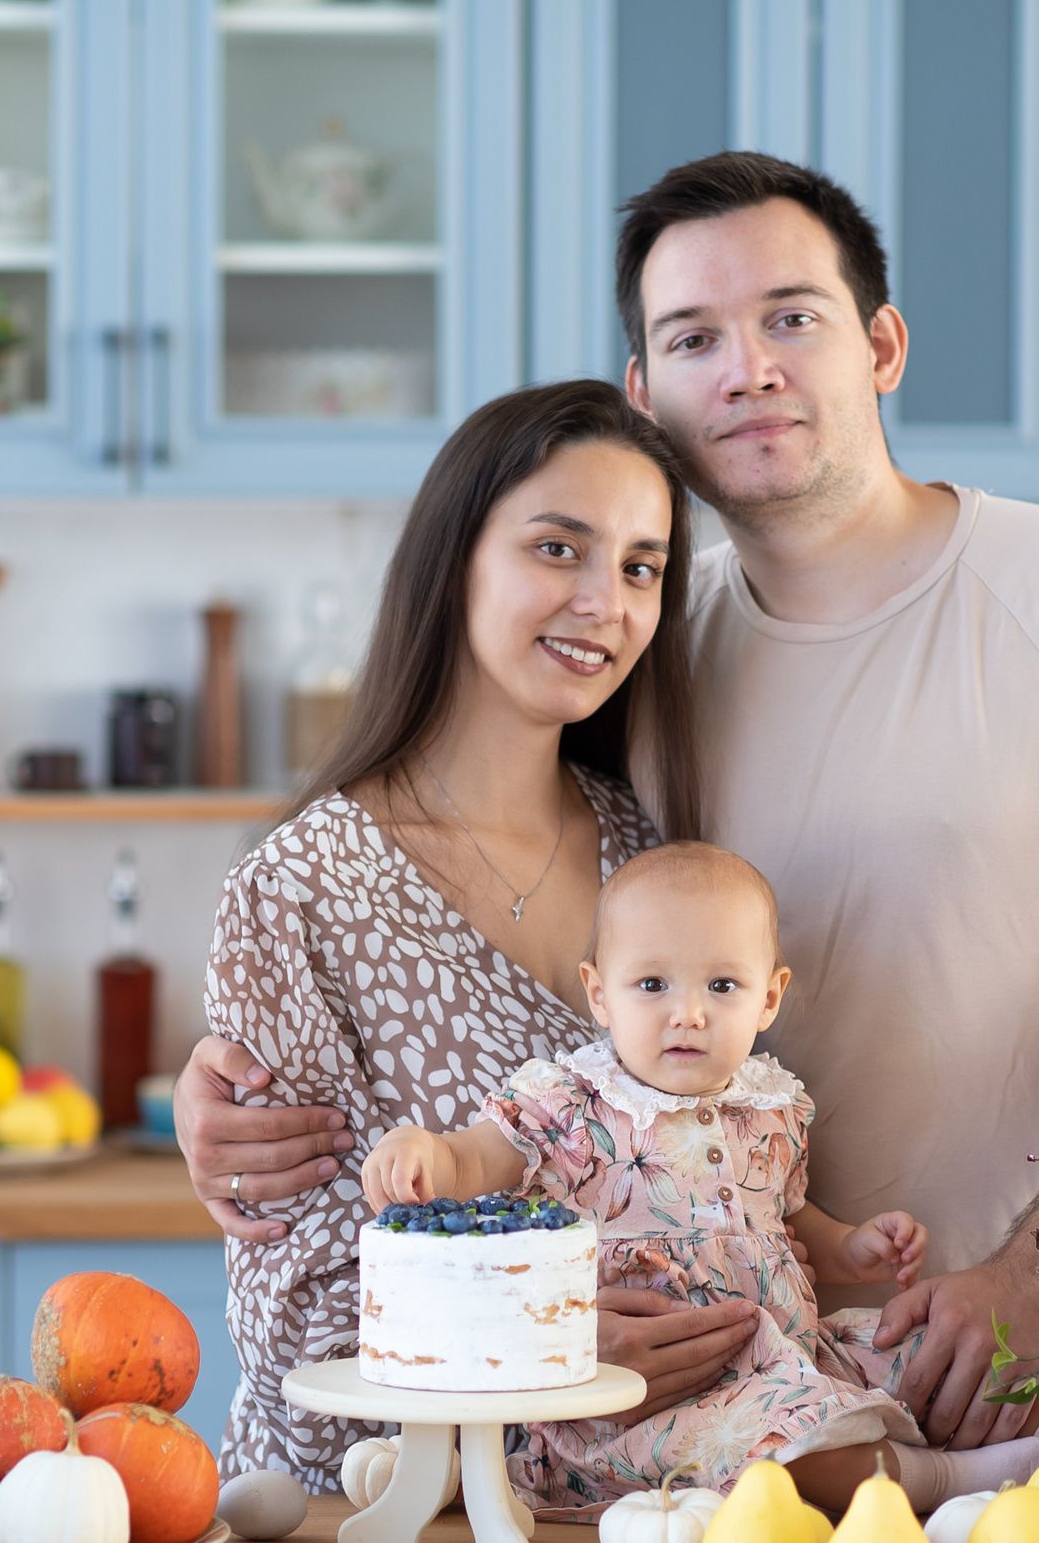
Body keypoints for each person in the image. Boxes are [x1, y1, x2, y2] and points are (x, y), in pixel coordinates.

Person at [181, 152, 1039, 1451]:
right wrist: (232, 1093)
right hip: (735, 1413)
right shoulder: (643, 654)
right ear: (648, 394)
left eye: (791, 318)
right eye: (695, 335)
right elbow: (542, 1005)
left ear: (881, 343)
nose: (749, 367)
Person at [203, 379, 751, 1486]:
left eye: (641, 566)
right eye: (560, 548)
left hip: (637, 1518)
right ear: (455, 557)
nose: (606, 601)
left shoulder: (643, 850)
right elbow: (294, 1309)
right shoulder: (301, 888)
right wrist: (541, 1344)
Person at [363, 841, 1039, 1517]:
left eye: (722, 984)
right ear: (599, 993)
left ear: (768, 998)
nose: (689, 1011)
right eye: (651, 984)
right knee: (785, 1452)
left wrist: (852, 1244)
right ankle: (950, 1482)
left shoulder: (772, 1106)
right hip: (655, 1393)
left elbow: (786, 1220)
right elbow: (476, 1156)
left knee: (924, 1360)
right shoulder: (569, 1102)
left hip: (785, 1350)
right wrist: (422, 1149)